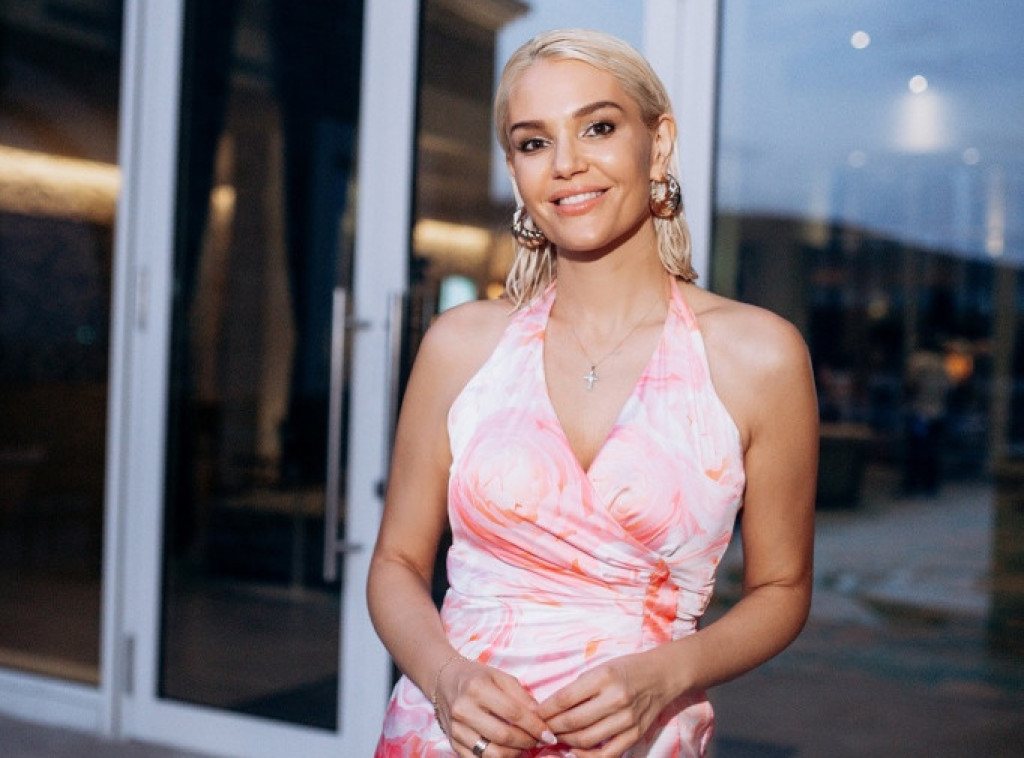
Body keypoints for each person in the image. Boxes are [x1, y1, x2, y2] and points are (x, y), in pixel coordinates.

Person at [368, 29, 818, 758]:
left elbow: (783, 589)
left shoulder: (757, 356)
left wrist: (666, 674)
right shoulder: (462, 346)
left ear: (658, 143)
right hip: (445, 739)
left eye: (598, 128)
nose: (566, 164)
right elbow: (395, 564)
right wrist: (445, 679)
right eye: (533, 142)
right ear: (515, 171)